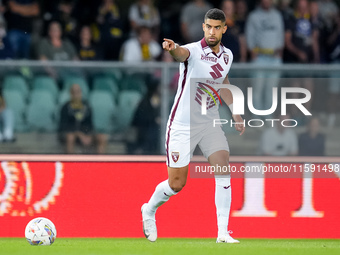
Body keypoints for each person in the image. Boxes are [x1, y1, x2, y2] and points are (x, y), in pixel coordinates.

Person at [141, 8, 245, 243]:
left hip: (209, 122)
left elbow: (223, 81)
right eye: (208, 26)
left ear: (224, 29)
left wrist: (235, 113)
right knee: (177, 184)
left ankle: (222, 233)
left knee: (223, 165)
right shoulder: (194, 51)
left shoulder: (227, 55)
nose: (212, 31)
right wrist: (172, 48)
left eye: (217, 27)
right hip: (182, 124)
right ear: (203, 27)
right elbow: (181, 54)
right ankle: (149, 209)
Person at [245, 0, 284, 113]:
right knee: (257, 90)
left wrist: (280, 50)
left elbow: (280, 34)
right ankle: (256, 117)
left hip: (274, 58)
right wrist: (252, 51)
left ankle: (268, 116)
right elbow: (249, 35)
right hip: (259, 58)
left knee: (271, 90)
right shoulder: (254, 16)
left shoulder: (277, 15)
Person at [59, 84, 93, 154]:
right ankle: (70, 161)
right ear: (71, 94)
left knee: (101, 137)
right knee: (70, 137)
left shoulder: (86, 107)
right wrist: (78, 133)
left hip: (84, 132)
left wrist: (88, 134)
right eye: (74, 92)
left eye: (78, 92)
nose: (76, 95)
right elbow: (64, 126)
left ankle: (99, 162)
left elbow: (89, 124)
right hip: (69, 133)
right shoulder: (65, 108)